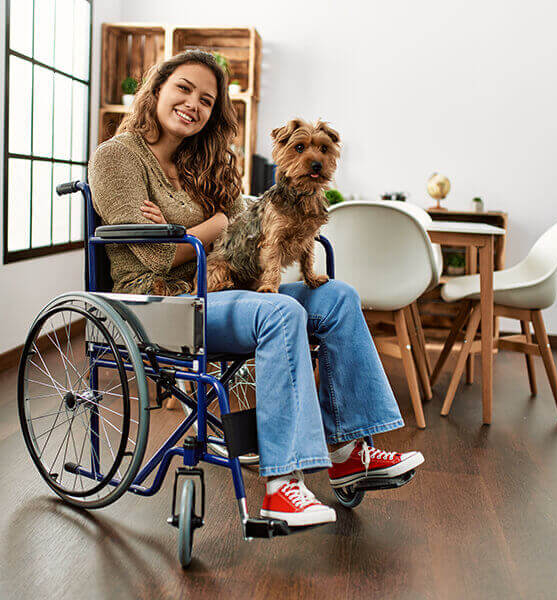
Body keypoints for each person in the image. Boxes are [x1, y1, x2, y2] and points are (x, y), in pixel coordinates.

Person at [88, 49, 424, 527]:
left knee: (338, 296)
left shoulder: (199, 164)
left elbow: (248, 229)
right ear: (157, 89)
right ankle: (283, 488)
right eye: (183, 88)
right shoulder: (117, 156)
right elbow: (157, 256)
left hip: (225, 288)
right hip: (162, 300)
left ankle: (351, 452)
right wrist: (213, 225)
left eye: (207, 99)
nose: (193, 104)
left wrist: (192, 229)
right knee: (281, 313)